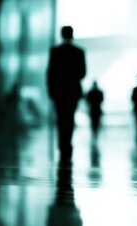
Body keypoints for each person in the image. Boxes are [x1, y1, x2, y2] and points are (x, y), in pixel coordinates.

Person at [47, 26, 86, 163]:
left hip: (59, 91)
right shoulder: (79, 52)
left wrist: (51, 92)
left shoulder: (55, 51)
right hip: (73, 91)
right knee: (69, 117)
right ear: (72, 35)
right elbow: (82, 73)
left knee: (60, 118)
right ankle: (67, 144)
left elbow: (50, 73)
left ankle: (62, 143)